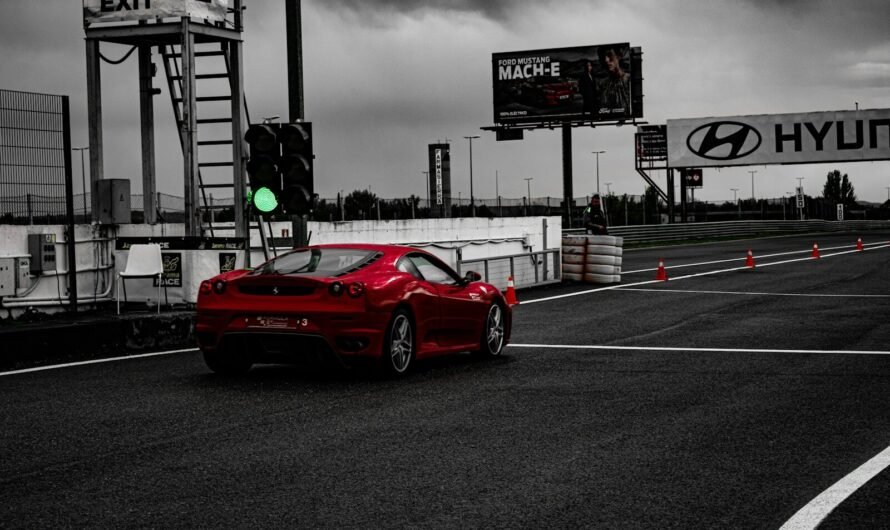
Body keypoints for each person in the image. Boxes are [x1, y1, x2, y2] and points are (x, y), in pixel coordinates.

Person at [597, 45, 631, 113]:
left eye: (610, 55)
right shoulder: (603, 84)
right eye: (603, 57)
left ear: (618, 56)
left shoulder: (629, 80)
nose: (606, 60)